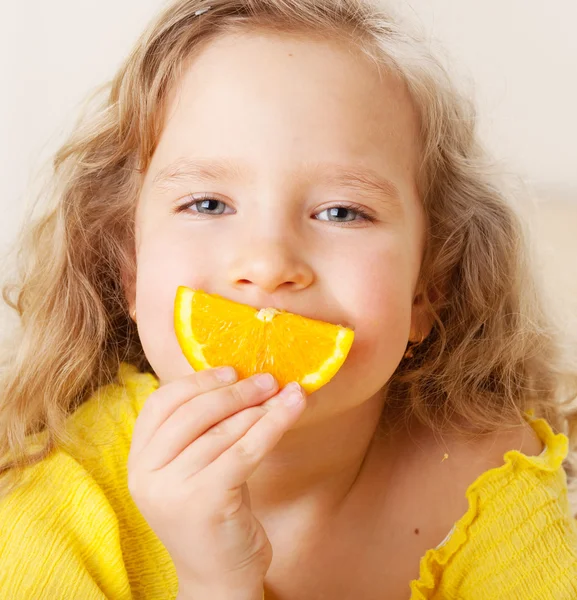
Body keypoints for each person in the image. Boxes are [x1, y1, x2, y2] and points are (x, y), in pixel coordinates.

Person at [1, 1, 576, 598]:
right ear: (130, 271)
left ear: (427, 290)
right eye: (208, 204)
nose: (270, 266)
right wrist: (213, 583)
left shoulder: (489, 477)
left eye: (341, 212)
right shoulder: (54, 504)